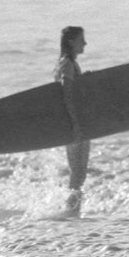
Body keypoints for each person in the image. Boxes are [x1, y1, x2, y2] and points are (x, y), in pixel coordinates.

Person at [54, 25, 88, 216]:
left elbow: (71, 89)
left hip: (70, 123)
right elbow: (67, 93)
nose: (85, 43)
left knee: (77, 171)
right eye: (81, 39)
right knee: (78, 171)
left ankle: (72, 210)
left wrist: (85, 80)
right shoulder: (67, 64)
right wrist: (75, 124)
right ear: (71, 42)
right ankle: (72, 211)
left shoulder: (66, 63)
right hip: (74, 124)